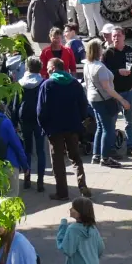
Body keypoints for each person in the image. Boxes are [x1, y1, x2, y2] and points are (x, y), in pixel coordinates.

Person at [36, 56, 90, 200]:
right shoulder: (75, 84)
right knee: (75, 157)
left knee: (58, 160)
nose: (46, 71)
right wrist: (81, 120)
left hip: (54, 130)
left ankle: (62, 192)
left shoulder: (47, 85)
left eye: (48, 68)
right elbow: (83, 105)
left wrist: (43, 126)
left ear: (53, 68)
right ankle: (82, 184)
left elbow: (41, 110)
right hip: (72, 127)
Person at [84, 38, 128, 167]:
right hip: (103, 100)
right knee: (108, 130)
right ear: (98, 50)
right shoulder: (100, 67)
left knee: (99, 127)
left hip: (93, 99)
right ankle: (105, 157)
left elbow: (87, 84)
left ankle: (96, 156)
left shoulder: (88, 64)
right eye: (101, 48)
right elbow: (107, 88)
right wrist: (121, 99)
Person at [101, 26, 132, 157]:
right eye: (113, 36)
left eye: (118, 35)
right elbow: (104, 73)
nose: (116, 38)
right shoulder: (108, 53)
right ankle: (112, 148)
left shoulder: (130, 51)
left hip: (129, 91)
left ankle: (131, 147)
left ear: (124, 36)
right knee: (112, 121)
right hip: (115, 93)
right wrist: (118, 72)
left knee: (129, 121)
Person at [14, 41, 48, 191]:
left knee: (27, 150)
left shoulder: (20, 83)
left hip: (25, 117)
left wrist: (14, 122)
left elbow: (15, 105)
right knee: (40, 150)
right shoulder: (43, 83)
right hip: (39, 119)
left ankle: (27, 178)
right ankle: (40, 181)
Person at [56, 196, 105, 264]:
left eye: (73, 208)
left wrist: (62, 229)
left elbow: (67, 250)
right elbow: (101, 248)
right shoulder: (92, 227)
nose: (70, 209)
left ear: (80, 213)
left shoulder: (73, 229)